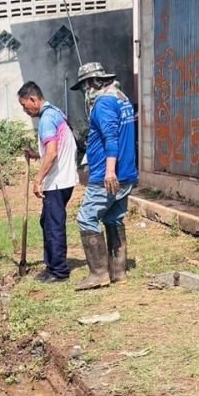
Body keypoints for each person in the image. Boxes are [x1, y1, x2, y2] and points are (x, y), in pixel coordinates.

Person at [72, 62, 138, 290]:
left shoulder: (103, 103)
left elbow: (111, 137)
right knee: (113, 218)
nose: (84, 92)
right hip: (126, 172)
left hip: (106, 175)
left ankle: (98, 273)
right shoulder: (122, 99)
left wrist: (109, 171)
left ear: (92, 83)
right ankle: (118, 272)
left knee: (86, 218)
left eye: (84, 86)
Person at [17, 81, 79, 282]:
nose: (25, 110)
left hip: (57, 182)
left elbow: (52, 153)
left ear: (33, 99)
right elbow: (55, 148)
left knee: (53, 226)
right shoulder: (56, 113)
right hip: (65, 179)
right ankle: (51, 265)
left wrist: (38, 180)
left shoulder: (46, 119)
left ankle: (59, 272)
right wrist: (37, 154)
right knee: (47, 221)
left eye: (24, 105)